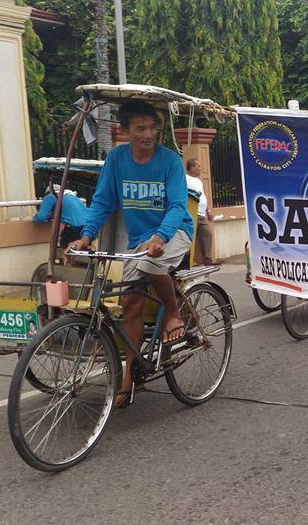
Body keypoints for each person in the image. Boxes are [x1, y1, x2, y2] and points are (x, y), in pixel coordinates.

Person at [69, 100, 195, 406]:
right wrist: (86, 236)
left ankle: (174, 315)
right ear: (123, 131)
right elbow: (102, 202)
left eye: (152, 128)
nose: (148, 134)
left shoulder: (169, 161)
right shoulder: (116, 160)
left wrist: (160, 236)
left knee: (153, 265)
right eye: (140, 128)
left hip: (175, 232)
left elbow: (178, 206)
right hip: (140, 239)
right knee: (129, 302)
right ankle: (128, 379)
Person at [185, 159, 214, 265]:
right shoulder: (185, 179)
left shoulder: (198, 180)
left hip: (201, 214)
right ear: (192, 168)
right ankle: (188, 261)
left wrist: (208, 210)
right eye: (198, 166)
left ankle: (207, 260)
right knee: (188, 237)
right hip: (191, 212)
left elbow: (202, 196)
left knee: (207, 234)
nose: (200, 168)